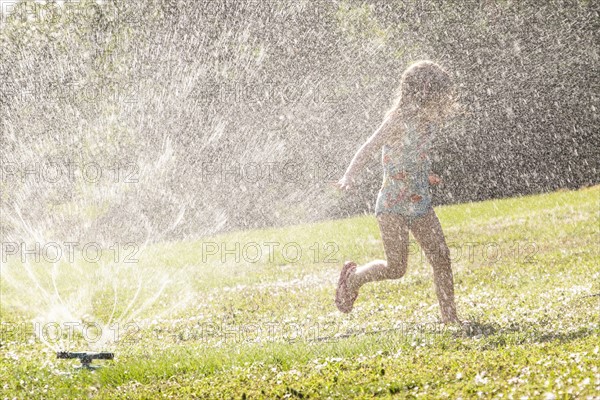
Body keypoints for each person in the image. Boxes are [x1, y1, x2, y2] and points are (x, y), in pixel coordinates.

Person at [335, 60, 460, 324]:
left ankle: (450, 319)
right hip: (392, 205)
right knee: (396, 268)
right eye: (440, 96)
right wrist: (349, 175)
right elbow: (368, 148)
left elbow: (409, 157)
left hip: (420, 203)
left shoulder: (428, 123)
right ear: (424, 94)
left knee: (441, 258)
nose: (444, 103)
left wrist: (426, 175)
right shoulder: (396, 121)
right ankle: (353, 278)